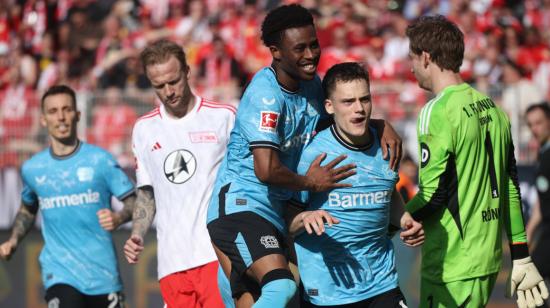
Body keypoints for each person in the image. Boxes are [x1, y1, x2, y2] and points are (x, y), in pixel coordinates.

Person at [206, 4, 402, 308]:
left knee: (270, 297)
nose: (310, 55)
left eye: (314, 44)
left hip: (276, 213)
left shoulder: (310, 84)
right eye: (300, 48)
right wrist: (310, 182)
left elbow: (339, 113)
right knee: (281, 288)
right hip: (242, 205)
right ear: (276, 51)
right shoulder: (265, 96)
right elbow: (266, 170)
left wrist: (380, 123)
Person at [404, 15, 548, 308]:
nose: (411, 67)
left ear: (427, 57)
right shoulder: (494, 109)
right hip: (487, 261)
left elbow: (432, 196)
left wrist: (394, 220)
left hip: (450, 265)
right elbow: (510, 186)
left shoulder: (437, 111)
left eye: (413, 59)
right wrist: (520, 254)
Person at [288, 62, 424, 307]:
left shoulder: (389, 145)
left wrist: (405, 220)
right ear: (329, 106)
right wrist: (304, 217)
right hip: (328, 292)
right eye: (348, 102)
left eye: (365, 99)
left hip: (382, 283)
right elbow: (285, 219)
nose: (359, 109)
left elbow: (388, 193)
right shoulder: (312, 155)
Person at [122, 40, 235, 308]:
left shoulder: (224, 118)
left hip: (215, 256)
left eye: (173, 81)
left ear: (186, 71)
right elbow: (147, 192)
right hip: (171, 263)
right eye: (159, 86)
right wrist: (137, 232)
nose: (169, 91)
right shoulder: (144, 129)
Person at [0, 85, 135, 308]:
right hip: (60, 274)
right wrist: (14, 241)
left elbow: (135, 201)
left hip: (103, 276)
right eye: (53, 112)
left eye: (66, 109)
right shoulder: (34, 169)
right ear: (43, 120)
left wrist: (119, 218)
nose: (61, 117)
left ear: (78, 114)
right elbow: (27, 208)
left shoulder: (100, 160)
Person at [525, 103, 550, 287]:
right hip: (546, 230)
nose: (534, 129)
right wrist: (530, 231)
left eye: (538, 123)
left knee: (530, 283)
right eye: (530, 124)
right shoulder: (543, 154)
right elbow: (541, 203)